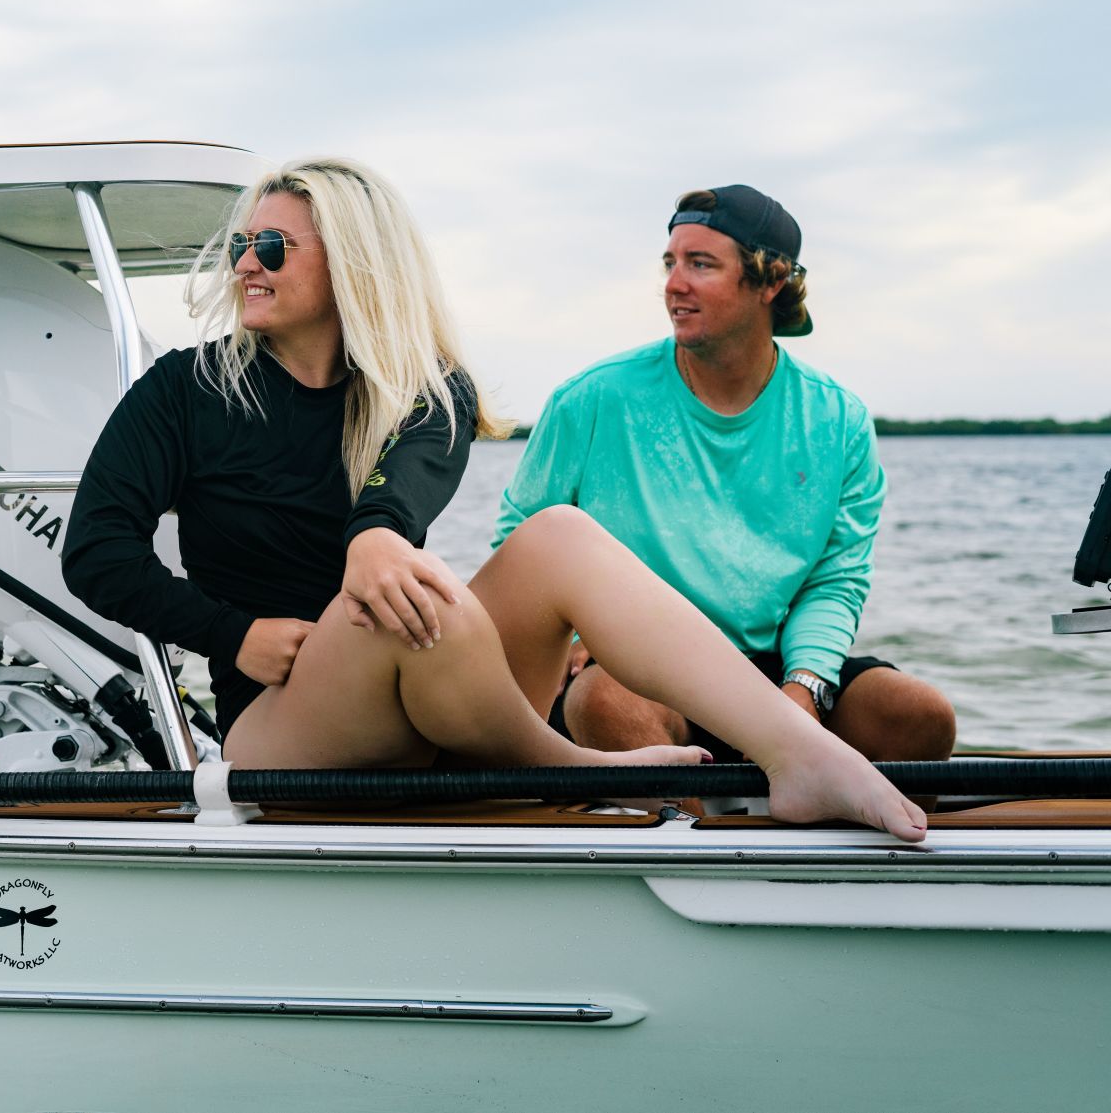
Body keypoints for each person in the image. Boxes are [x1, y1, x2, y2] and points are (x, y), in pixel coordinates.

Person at [62, 158, 926, 840]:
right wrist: (232, 635)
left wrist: (376, 542)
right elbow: (95, 549)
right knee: (390, 602)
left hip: (436, 692)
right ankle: (568, 767)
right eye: (242, 245)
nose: (248, 263)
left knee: (553, 534)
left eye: (275, 247)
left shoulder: (427, 389)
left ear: (353, 264)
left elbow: (393, 504)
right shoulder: (185, 391)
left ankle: (798, 751)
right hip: (290, 724)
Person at [494, 185, 957, 772]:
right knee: (606, 702)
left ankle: (840, 860)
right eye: (670, 263)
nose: (673, 283)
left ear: (771, 282)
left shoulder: (838, 419)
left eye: (701, 264)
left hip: (762, 669)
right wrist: (577, 639)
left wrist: (803, 690)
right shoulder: (591, 399)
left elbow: (835, 580)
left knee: (918, 715)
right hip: (630, 671)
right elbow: (519, 546)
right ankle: (698, 852)